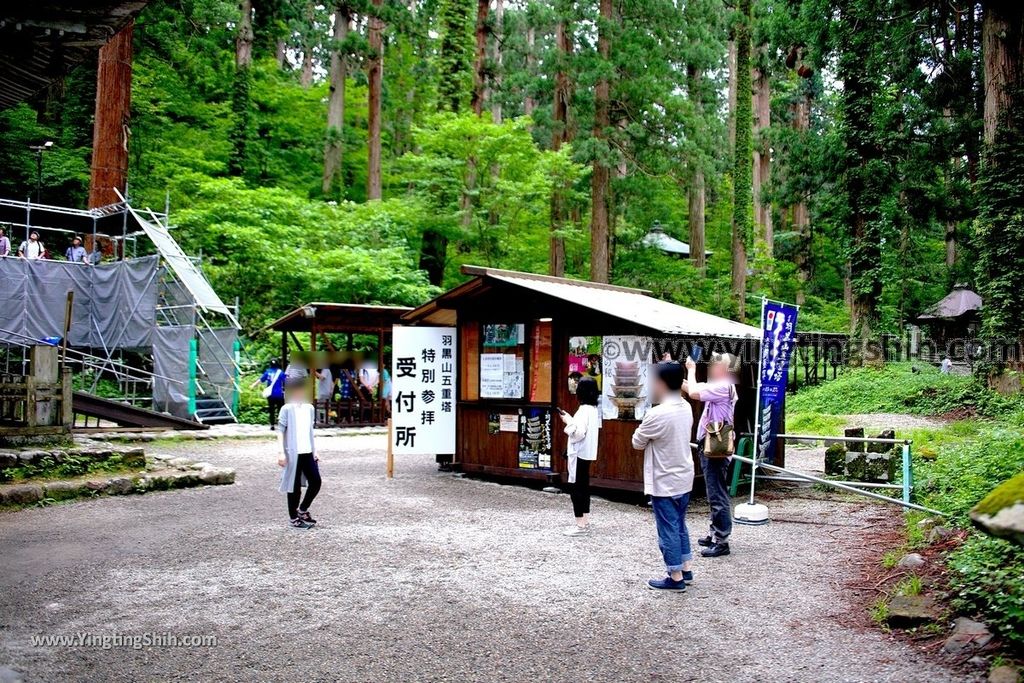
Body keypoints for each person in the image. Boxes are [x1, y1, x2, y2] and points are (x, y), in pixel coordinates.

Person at [631, 361, 695, 592]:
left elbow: (637, 443)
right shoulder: (686, 407)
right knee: (679, 525)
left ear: (661, 383)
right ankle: (686, 568)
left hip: (664, 481)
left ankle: (675, 576)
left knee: (668, 528)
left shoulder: (657, 414)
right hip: (684, 476)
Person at [684, 352, 739, 558]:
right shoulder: (722, 386)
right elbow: (693, 389)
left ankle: (721, 539)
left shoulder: (723, 386)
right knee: (714, 490)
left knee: (717, 493)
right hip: (711, 443)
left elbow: (694, 393)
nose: (711, 368)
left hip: (715, 446)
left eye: (715, 365)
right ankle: (714, 532)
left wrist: (691, 370)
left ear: (723, 369)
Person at [558, 376, 601, 536]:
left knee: (576, 487)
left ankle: (580, 524)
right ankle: (585, 521)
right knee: (584, 485)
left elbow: (578, 432)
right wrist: (570, 419)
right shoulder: (593, 410)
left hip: (578, 452)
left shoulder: (583, 411)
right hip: (588, 452)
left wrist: (568, 421)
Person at [277, 378, 322, 529]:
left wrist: (315, 450)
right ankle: (293, 518)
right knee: (293, 486)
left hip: (307, 451)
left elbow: (310, 430)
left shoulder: (309, 408)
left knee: (316, 481)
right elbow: (280, 431)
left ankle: (302, 510)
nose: (299, 392)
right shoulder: (287, 409)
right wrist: (281, 452)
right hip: (292, 453)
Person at [252, 359, 286, 430]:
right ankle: (280, 424)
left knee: (271, 410)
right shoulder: (280, 372)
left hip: (270, 395)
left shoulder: (268, 372)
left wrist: (253, 385)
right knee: (280, 410)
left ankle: (272, 425)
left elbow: (261, 380)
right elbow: (287, 381)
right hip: (279, 394)